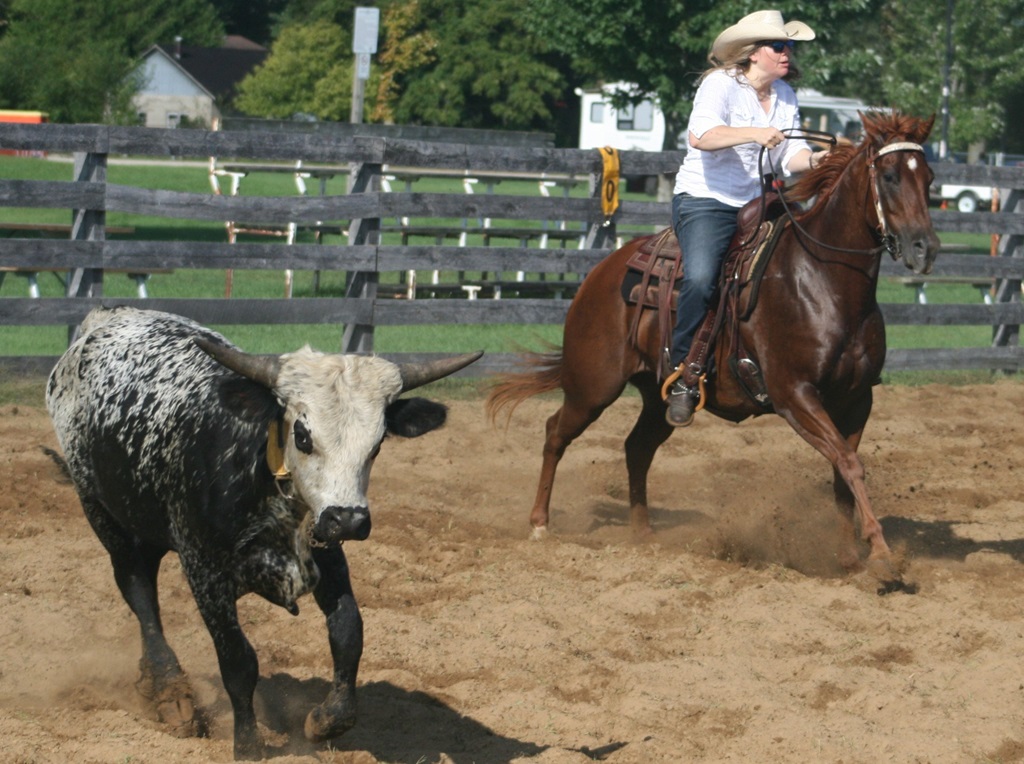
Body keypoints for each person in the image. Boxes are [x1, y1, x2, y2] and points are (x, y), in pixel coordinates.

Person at [666, 9, 823, 427]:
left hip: (760, 202)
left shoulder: (785, 95)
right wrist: (754, 133)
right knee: (702, 277)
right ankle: (682, 372)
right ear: (754, 53)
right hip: (707, 199)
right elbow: (701, 136)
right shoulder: (720, 84)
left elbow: (790, 154)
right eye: (779, 45)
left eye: (789, 46)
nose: (787, 52)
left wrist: (820, 161)